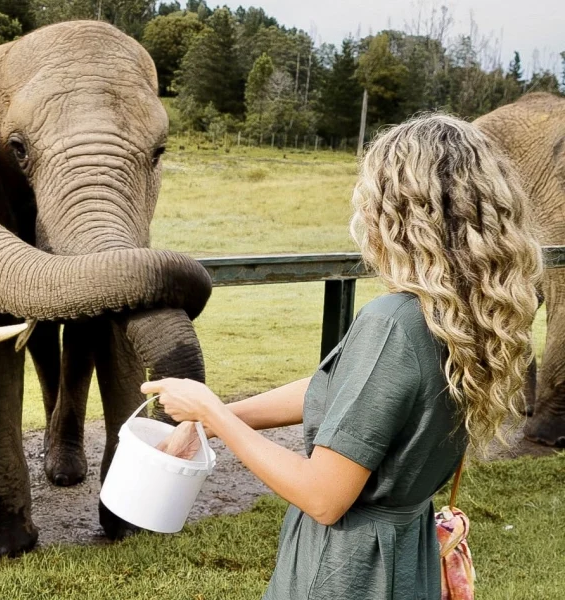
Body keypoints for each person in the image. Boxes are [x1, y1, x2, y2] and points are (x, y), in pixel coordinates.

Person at [142, 114, 542, 600]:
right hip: (406, 556)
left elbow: (323, 497)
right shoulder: (466, 317)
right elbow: (346, 393)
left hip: (348, 570)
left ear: (396, 212)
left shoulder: (394, 323)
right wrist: (213, 419)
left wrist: (212, 411)